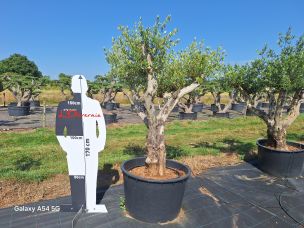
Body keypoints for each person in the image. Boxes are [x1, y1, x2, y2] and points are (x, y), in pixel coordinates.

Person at [56, 75, 107, 213]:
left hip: (91, 143)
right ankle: (78, 204)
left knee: (91, 174)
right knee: (76, 173)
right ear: (72, 88)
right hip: (73, 144)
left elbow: (101, 125)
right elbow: (59, 131)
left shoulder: (94, 104)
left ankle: (90, 205)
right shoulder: (64, 106)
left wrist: (100, 142)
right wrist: (67, 146)